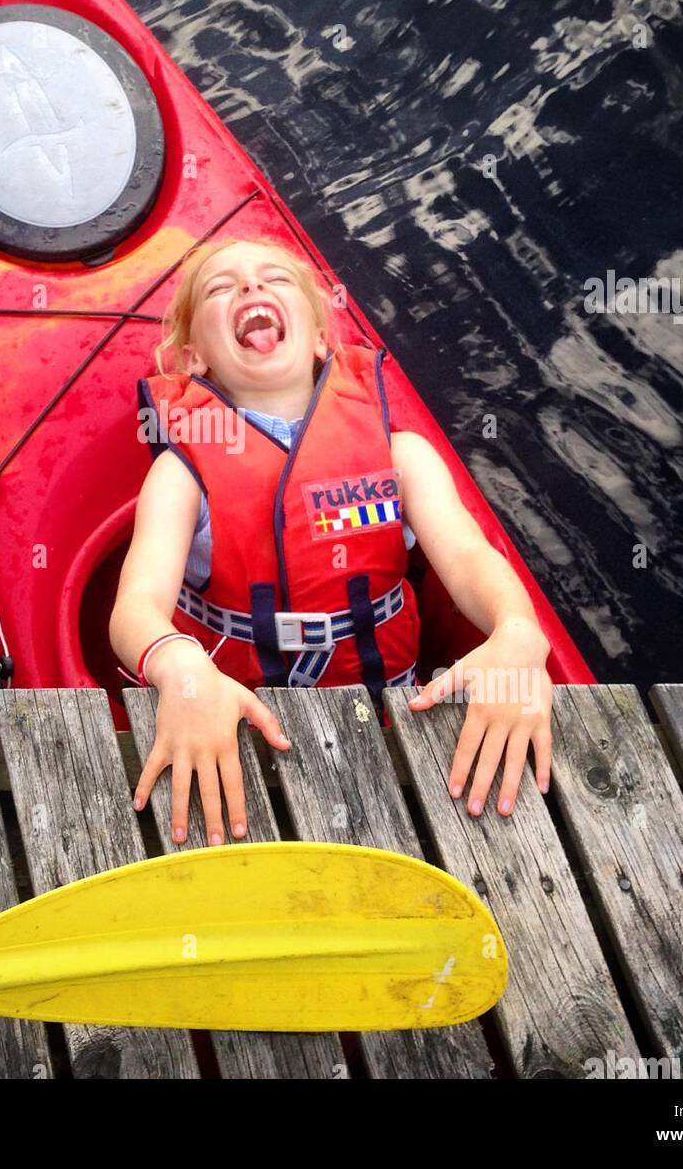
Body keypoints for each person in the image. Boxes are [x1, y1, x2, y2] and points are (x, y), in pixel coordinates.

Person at [110, 238, 553, 846]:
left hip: (396, 708)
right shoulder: (181, 472)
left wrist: (517, 631)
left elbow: (471, 557)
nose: (250, 288)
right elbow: (135, 606)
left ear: (320, 339)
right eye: (221, 287)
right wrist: (180, 667)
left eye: (274, 280)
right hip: (238, 721)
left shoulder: (401, 455)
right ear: (194, 359)